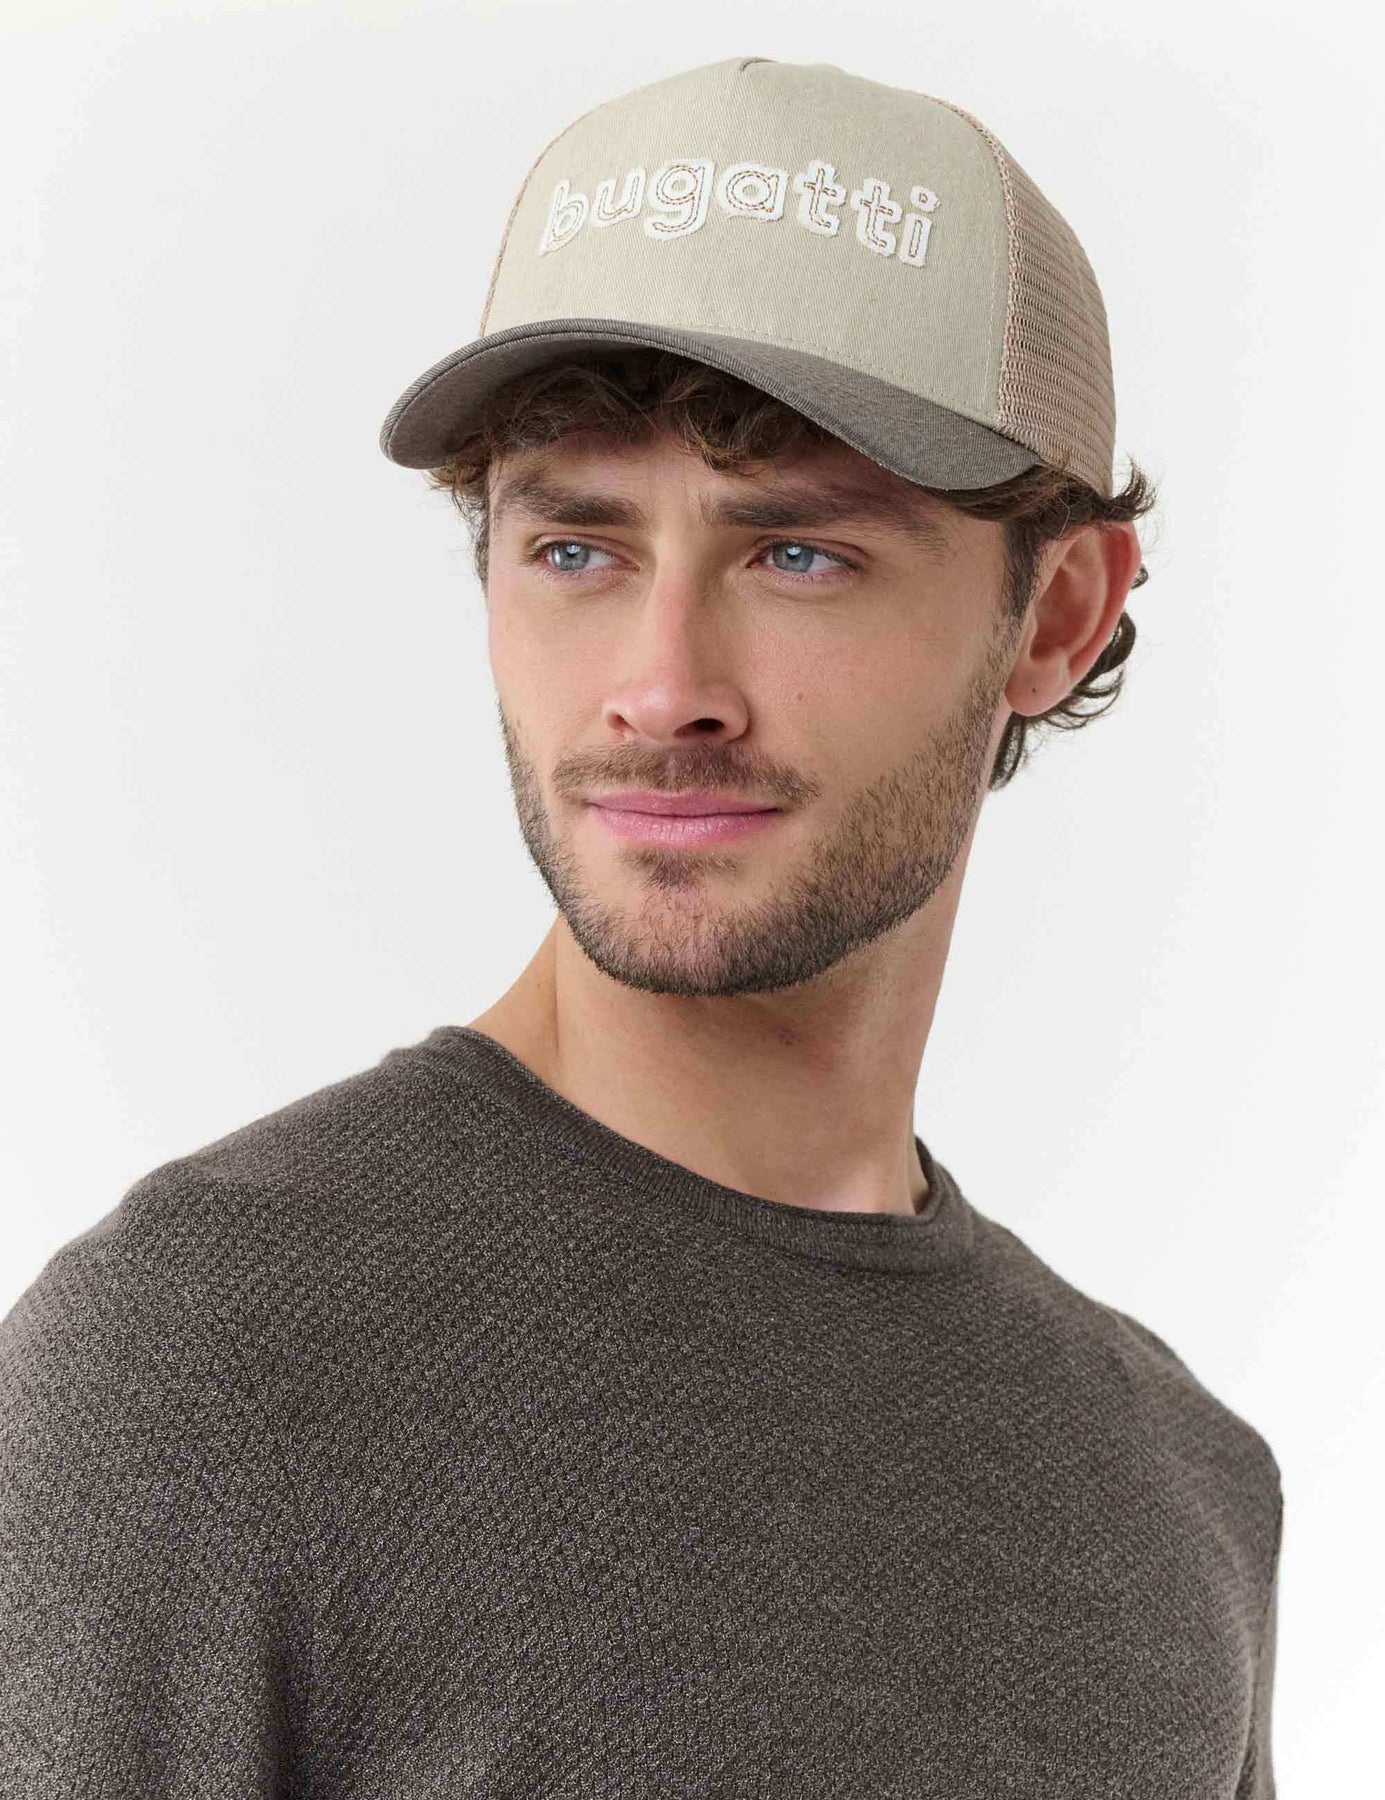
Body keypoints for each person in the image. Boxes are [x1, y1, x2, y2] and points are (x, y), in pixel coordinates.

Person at [0, 55, 1281, 1797]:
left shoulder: (1174, 1490)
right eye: (576, 551)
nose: (661, 686)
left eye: (797, 555)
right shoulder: (198, 1366)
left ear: (1055, 615)